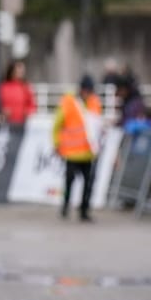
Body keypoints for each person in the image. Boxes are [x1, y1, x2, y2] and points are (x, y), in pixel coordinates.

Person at [54, 75, 103, 222]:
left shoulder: (95, 102)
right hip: (72, 153)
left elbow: (96, 126)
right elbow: (57, 124)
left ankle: (84, 210)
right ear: (81, 90)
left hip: (89, 152)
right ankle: (65, 206)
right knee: (69, 182)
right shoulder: (69, 102)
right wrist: (57, 143)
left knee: (89, 183)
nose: (88, 94)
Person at [0, 59, 35, 125]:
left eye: (22, 71)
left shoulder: (26, 86)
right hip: (6, 123)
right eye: (19, 70)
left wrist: (27, 112)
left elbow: (32, 105)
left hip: (21, 123)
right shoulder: (3, 86)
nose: (21, 72)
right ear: (12, 71)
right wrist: (2, 111)